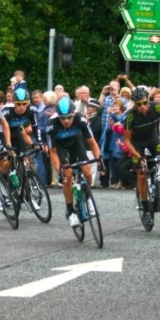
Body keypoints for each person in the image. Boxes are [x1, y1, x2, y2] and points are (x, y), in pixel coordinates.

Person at [122, 87, 160, 228]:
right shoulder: (129, 117)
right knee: (142, 174)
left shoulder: (157, 108)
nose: (142, 106)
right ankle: (146, 208)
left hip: (152, 139)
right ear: (134, 104)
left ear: (148, 100)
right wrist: (138, 156)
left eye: (144, 102)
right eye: (138, 104)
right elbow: (127, 141)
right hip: (137, 144)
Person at [45, 96, 102, 227]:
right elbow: (52, 152)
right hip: (60, 147)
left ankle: (87, 199)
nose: (66, 121)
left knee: (88, 172)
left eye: (69, 117)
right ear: (58, 116)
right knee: (68, 176)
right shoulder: (51, 125)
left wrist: (100, 160)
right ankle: (70, 211)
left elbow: (92, 143)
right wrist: (59, 170)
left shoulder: (80, 119)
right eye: (62, 118)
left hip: (76, 143)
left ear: (73, 114)